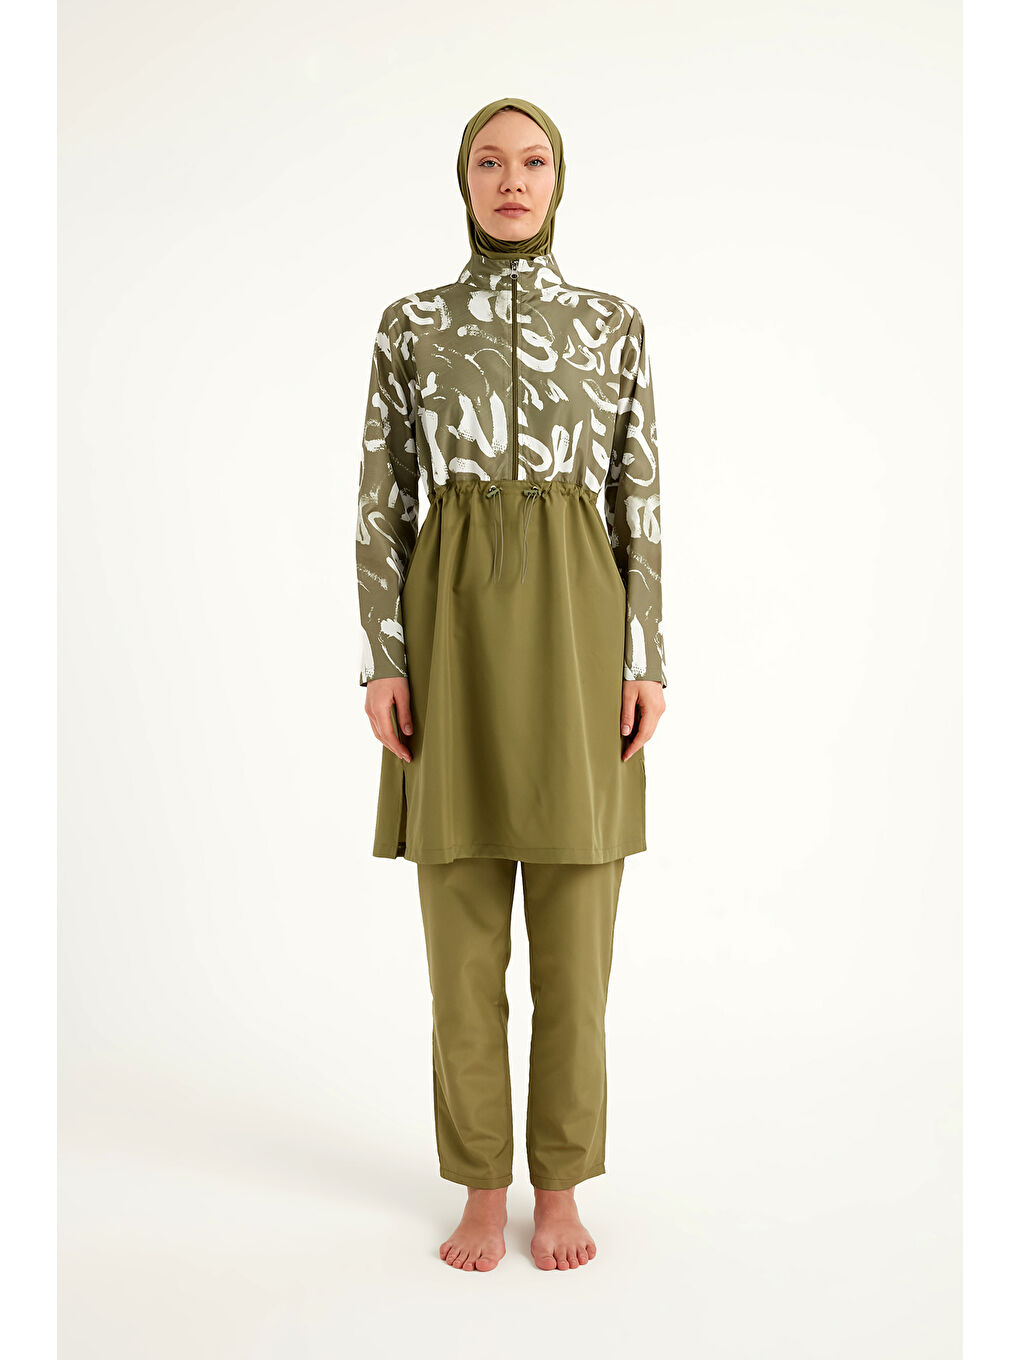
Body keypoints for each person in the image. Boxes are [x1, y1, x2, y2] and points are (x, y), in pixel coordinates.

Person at [355, 97, 667, 1272]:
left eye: (532, 161)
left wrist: (645, 657)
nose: (512, 180)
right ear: (464, 180)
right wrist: (386, 657)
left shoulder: (612, 324)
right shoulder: (411, 326)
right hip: (451, 639)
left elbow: (640, 495)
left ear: (559, 178)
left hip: (583, 640)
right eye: (489, 161)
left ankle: (562, 1186)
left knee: (576, 952)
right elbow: (381, 498)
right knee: (462, 943)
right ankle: (483, 1187)